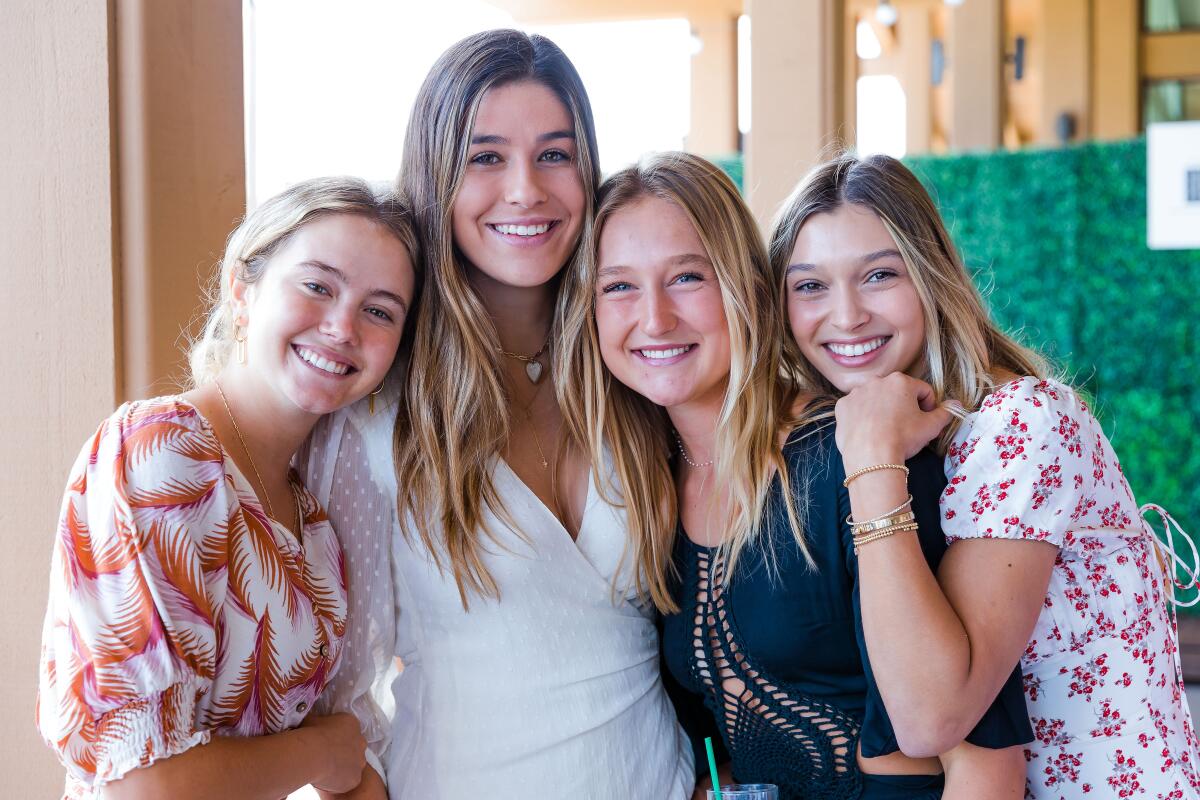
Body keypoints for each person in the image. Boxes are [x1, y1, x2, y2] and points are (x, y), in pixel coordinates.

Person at [559, 150, 1032, 800]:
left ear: (750, 290)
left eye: (687, 278)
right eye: (618, 286)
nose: (655, 318)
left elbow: (988, 768)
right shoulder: (648, 491)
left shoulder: (860, 456)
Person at [299, 30, 693, 798]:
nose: (525, 190)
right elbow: (333, 701)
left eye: (554, 154)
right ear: (437, 174)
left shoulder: (640, 365)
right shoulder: (374, 407)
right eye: (486, 158)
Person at [770, 151, 1200, 798]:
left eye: (880, 275)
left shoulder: (1021, 422)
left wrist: (869, 460)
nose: (847, 314)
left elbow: (929, 718)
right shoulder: (886, 430)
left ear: (931, 275)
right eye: (810, 286)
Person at [37, 177, 419, 800]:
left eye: (379, 311)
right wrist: (322, 752)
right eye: (318, 285)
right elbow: (148, 788)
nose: (343, 327)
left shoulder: (312, 525)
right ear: (244, 290)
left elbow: (345, 756)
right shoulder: (162, 452)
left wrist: (343, 761)